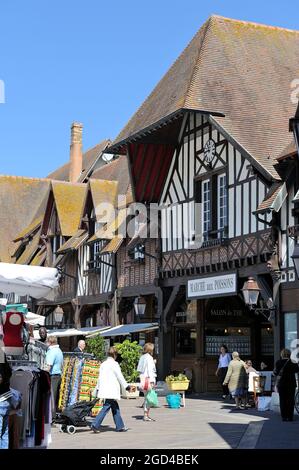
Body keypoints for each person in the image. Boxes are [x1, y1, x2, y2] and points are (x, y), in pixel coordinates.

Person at [91, 347, 132, 433]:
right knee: (106, 407)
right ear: (114, 355)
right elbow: (120, 377)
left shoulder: (103, 364)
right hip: (112, 389)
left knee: (115, 407)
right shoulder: (115, 364)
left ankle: (120, 426)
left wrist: (98, 388)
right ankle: (95, 424)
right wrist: (127, 386)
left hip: (105, 389)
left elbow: (99, 378)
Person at [273, 348, 299, 422]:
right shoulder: (293, 362)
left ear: (282, 354)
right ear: (289, 354)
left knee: (283, 400)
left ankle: (284, 416)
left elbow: (276, 373)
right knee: (290, 400)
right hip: (291, 384)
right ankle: (290, 416)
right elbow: (297, 370)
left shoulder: (278, 362)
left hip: (282, 384)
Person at [137, 342, 157, 422]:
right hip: (148, 379)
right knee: (148, 398)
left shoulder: (142, 357)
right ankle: (146, 415)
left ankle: (146, 414)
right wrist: (152, 381)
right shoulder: (149, 358)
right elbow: (150, 370)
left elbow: (139, 369)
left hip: (142, 378)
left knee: (146, 397)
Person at [45, 336, 63, 419]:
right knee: (55, 397)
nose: (46, 343)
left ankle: (51, 417)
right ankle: (54, 415)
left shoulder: (51, 351)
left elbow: (49, 366)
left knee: (51, 397)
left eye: (47, 341)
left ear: (50, 342)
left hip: (52, 376)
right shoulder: (59, 350)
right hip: (58, 375)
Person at [0, 353, 12, 449]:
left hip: (1, 398)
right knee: (4, 432)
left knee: (3, 431)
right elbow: (9, 372)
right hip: (6, 397)